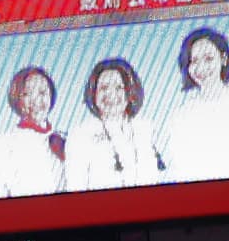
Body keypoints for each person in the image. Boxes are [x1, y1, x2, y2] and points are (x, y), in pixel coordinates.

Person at [155, 27, 229, 183]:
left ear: (223, 59)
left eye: (209, 58)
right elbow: (180, 169)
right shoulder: (181, 116)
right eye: (194, 61)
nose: (201, 68)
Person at [61, 56, 157, 192]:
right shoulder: (80, 134)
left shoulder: (145, 128)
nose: (111, 94)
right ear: (93, 94)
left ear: (130, 92)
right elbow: (75, 188)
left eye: (119, 87)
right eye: (104, 88)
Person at [0, 64, 67, 199]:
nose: (36, 100)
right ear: (16, 98)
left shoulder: (65, 139)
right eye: (27, 94)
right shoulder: (3, 144)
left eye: (42, 92)